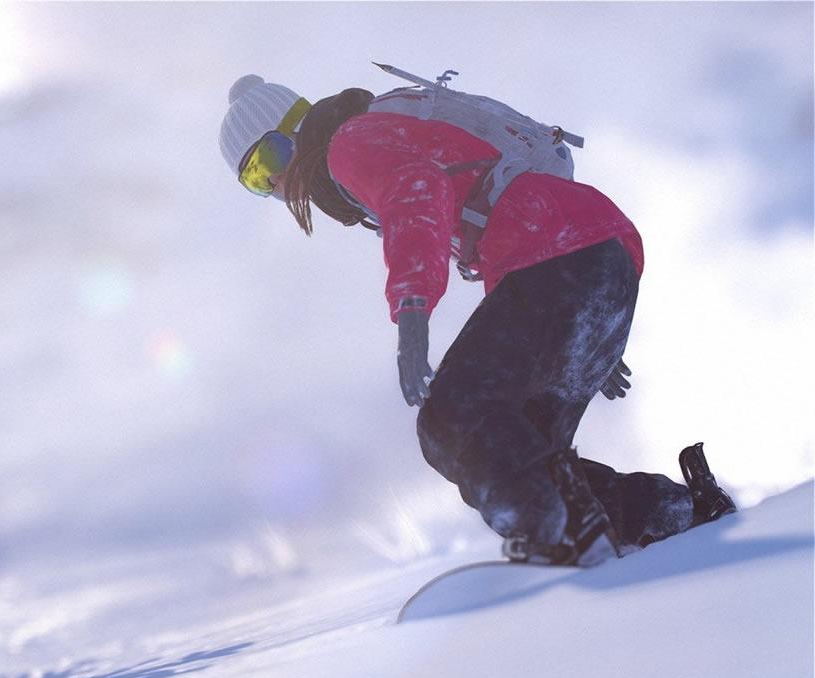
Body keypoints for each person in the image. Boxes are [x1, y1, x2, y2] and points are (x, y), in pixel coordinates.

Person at [218, 73, 737, 566]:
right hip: (596, 255)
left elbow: (414, 189)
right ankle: (673, 513)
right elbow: (499, 224)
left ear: (297, 128)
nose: (278, 182)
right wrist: (580, 331)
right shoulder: (392, 129)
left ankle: (559, 535)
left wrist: (413, 307)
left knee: (451, 420)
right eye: (256, 180)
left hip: (558, 254)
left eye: (270, 157)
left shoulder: (347, 142)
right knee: (526, 446)